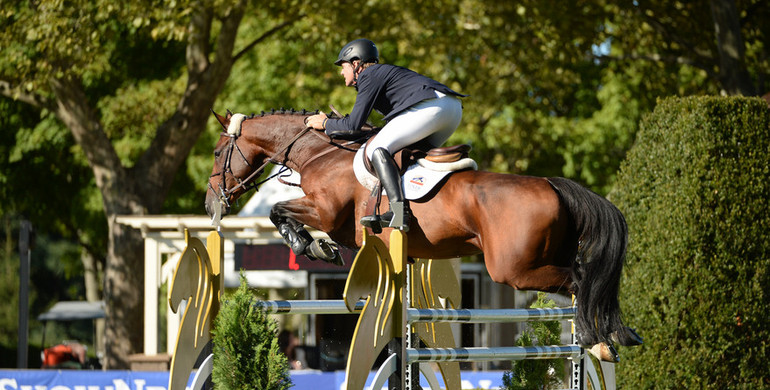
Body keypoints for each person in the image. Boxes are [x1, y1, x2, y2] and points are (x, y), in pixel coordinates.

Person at [307, 38, 466, 230]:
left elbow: (352, 126)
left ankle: (399, 213)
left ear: (356, 64)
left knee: (377, 148)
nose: (341, 72)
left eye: (343, 66)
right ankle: (424, 207)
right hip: (452, 108)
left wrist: (325, 123)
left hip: (432, 106)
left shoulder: (369, 75)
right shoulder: (380, 75)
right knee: (410, 157)